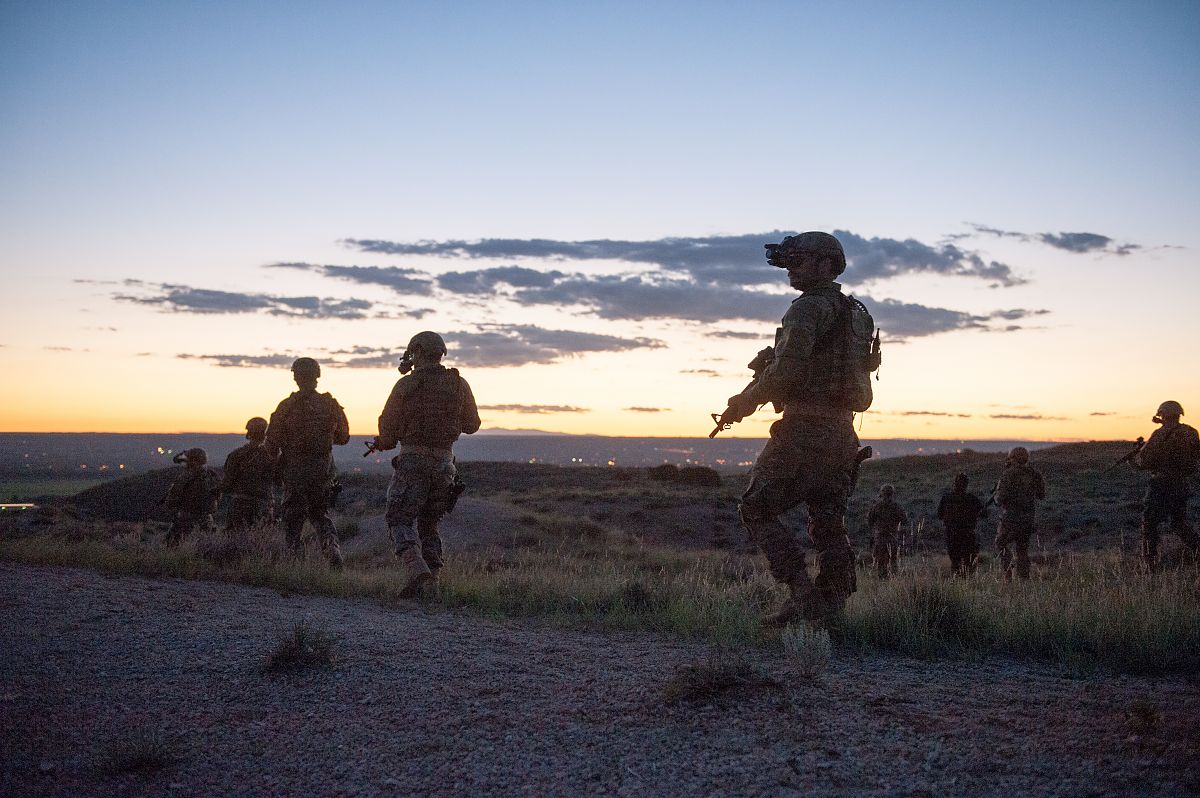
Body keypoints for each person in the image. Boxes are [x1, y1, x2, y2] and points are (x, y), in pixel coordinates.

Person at [725, 231, 880, 626]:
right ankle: (833, 609)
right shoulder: (856, 312)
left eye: (801, 260)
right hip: (843, 435)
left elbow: (786, 373)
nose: (791, 269)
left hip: (806, 430)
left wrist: (743, 403)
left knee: (756, 507)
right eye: (790, 262)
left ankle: (803, 596)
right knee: (828, 521)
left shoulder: (807, 309)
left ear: (827, 264)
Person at [372, 331, 481, 597]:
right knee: (429, 523)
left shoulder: (406, 385)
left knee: (398, 519)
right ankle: (433, 583)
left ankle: (416, 570)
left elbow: (387, 430)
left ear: (417, 352)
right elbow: (472, 424)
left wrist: (386, 441)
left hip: (413, 461)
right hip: (445, 463)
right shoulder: (459, 384)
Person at [266, 358, 350, 567]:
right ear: (317, 376)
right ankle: (331, 548)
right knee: (320, 514)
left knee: (293, 517)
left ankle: (295, 561)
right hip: (323, 468)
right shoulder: (330, 404)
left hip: (294, 468)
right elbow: (343, 437)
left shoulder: (286, 406)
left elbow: (272, 443)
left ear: (295, 377)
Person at [1133, 400, 1200, 571]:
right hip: (1181, 484)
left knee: (1149, 524)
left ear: (1162, 415)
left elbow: (1146, 462)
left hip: (1161, 485)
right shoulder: (1191, 433)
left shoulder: (1160, 434)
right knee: (1179, 523)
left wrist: (1135, 459)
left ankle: (1149, 565)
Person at [993, 446, 1045, 581]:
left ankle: (1008, 575)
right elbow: (1041, 495)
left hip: (1010, 519)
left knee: (1000, 543)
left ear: (1012, 458)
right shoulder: (1035, 474)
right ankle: (1024, 578)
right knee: (1022, 550)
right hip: (1028, 519)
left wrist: (995, 496)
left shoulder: (1008, 474)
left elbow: (999, 499)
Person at [221, 417, 277, 533]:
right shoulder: (272, 457)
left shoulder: (236, 455)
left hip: (240, 504)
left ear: (249, 433)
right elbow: (278, 480)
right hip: (264, 505)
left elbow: (227, 484)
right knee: (261, 543)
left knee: (234, 540)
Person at [163, 447, 222, 546]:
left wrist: (171, 507)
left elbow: (172, 499)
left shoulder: (186, 476)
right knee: (210, 543)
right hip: (206, 518)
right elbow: (218, 495)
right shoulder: (212, 475)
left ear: (192, 461)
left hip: (186, 517)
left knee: (172, 543)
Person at [937, 473, 983, 577]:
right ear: (966, 485)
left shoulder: (946, 498)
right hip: (968, 535)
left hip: (951, 535)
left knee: (955, 561)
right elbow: (984, 513)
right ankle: (967, 583)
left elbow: (939, 515)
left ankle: (956, 581)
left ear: (955, 484)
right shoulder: (972, 499)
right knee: (969, 562)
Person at [866, 484, 907, 578]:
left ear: (882, 494)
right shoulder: (897, 507)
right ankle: (893, 581)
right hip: (893, 537)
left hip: (880, 538)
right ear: (892, 494)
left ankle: (881, 581)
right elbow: (904, 520)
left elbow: (869, 521)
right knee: (893, 561)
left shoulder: (876, 506)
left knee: (880, 562)